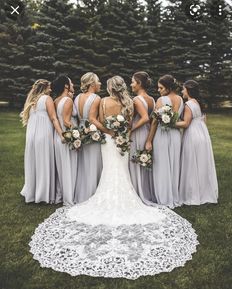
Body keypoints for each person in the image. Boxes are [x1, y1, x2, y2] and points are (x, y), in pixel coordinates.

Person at [29, 76, 198, 279]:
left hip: (108, 140)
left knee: (110, 170)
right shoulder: (128, 102)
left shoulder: (103, 101)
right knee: (121, 170)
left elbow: (96, 120)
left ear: (109, 88)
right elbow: (128, 121)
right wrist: (122, 131)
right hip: (122, 139)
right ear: (122, 87)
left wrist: (108, 131)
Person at [20, 79, 63, 203]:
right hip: (43, 134)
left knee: (34, 162)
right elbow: (54, 118)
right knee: (44, 161)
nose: (51, 89)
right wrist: (61, 134)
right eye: (49, 87)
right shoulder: (47, 99)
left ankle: (33, 191)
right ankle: (43, 193)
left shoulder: (32, 100)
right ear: (44, 88)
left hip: (32, 136)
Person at [175, 80, 218, 205]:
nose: (182, 91)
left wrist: (170, 123)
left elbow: (186, 123)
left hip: (193, 135)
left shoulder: (188, 104)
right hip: (202, 134)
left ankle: (192, 194)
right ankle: (204, 191)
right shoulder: (198, 103)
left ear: (188, 90)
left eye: (183, 89)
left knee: (191, 163)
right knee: (201, 163)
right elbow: (204, 120)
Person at [145, 74, 184, 208]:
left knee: (161, 165)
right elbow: (179, 119)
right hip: (176, 136)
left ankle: (163, 198)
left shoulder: (162, 100)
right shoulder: (180, 99)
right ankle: (173, 195)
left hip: (162, 134)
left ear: (167, 88)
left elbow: (155, 122)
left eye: (161, 88)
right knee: (174, 164)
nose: (158, 90)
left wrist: (149, 141)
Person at [74, 72, 106, 203]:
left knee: (83, 163)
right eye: (98, 81)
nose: (100, 84)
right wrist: (107, 130)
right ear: (92, 84)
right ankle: (93, 193)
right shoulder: (96, 98)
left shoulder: (77, 97)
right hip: (92, 133)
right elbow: (93, 119)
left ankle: (82, 193)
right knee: (94, 162)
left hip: (81, 131)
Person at [129, 71, 156, 202]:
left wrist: (131, 129)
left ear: (139, 84)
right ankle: (144, 191)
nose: (131, 84)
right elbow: (151, 121)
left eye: (133, 82)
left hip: (138, 133)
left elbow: (145, 118)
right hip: (147, 132)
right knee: (143, 161)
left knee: (135, 162)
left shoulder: (136, 99)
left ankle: (136, 192)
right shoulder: (152, 100)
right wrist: (150, 139)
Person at [52, 75, 78, 205]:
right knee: (69, 166)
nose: (73, 84)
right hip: (67, 137)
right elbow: (67, 122)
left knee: (62, 167)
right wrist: (79, 132)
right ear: (66, 86)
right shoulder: (68, 100)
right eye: (71, 82)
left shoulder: (56, 100)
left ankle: (61, 195)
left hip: (58, 137)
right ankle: (69, 196)